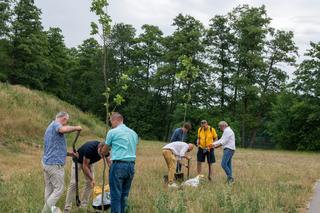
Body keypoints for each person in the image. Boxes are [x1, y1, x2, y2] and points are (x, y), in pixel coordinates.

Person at [42, 112, 82, 213]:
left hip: (47, 163)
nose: (65, 124)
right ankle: (45, 211)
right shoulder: (56, 125)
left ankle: (49, 210)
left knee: (49, 189)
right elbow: (62, 129)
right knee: (59, 189)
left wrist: (70, 154)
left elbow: (55, 148)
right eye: (66, 121)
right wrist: (76, 127)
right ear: (64, 118)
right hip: (54, 165)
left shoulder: (50, 128)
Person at [101, 112, 139, 213]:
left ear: (115, 120)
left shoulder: (112, 132)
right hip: (131, 165)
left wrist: (102, 151)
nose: (111, 124)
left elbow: (105, 150)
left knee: (115, 195)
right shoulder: (133, 133)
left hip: (118, 165)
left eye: (111, 122)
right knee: (124, 195)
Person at [64, 141, 111, 213]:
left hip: (90, 162)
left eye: (103, 155)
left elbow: (109, 162)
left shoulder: (105, 149)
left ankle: (83, 206)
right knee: (73, 183)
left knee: (89, 184)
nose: (102, 156)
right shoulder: (90, 149)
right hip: (78, 161)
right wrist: (92, 178)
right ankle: (67, 208)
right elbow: (84, 166)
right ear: (99, 148)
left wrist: (113, 171)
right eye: (101, 154)